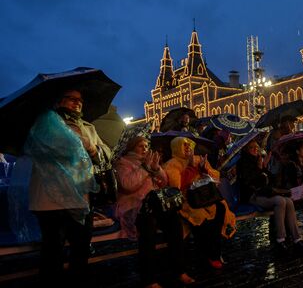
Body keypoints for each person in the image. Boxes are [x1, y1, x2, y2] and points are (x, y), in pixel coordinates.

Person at [25, 89, 110, 285]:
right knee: (53, 253)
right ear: (58, 101)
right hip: (50, 201)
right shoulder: (45, 122)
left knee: (81, 250)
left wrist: (92, 148)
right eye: (71, 99)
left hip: (81, 199)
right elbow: (40, 151)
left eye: (80, 100)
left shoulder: (89, 127)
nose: (77, 103)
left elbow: (106, 153)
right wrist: (70, 143)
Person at [115, 136, 194, 287]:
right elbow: (128, 185)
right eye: (140, 146)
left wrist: (157, 169)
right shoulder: (123, 163)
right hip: (135, 207)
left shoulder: (148, 161)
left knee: (175, 224)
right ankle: (149, 279)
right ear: (132, 147)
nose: (145, 149)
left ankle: (179, 270)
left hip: (156, 205)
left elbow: (164, 182)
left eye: (146, 146)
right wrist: (145, 168)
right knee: (148, 230)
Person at [164, 137, 236, 269]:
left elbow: (215, 176)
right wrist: (192, 168)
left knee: (220, 208)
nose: (187, 148)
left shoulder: (198, 158)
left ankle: (214, 250)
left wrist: (204, 168)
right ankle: (211, 253)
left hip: (205, 197)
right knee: (202, 220)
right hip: (188, 200)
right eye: (183, 146)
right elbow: (176, 186)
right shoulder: (172, 164)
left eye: (188, 145)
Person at [236, 140, 303, 257]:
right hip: (252, 195)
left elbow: (269, 181)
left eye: (256, 147)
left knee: (288, 201)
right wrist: (260, 169)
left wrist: (264, 168)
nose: (255, 150)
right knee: (280, 201)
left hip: (264, 194)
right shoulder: (243, 163)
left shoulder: (258, 160)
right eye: (252, 148)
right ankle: (280, 240)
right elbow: (250, 182)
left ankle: (297, 239)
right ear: (246, 150)